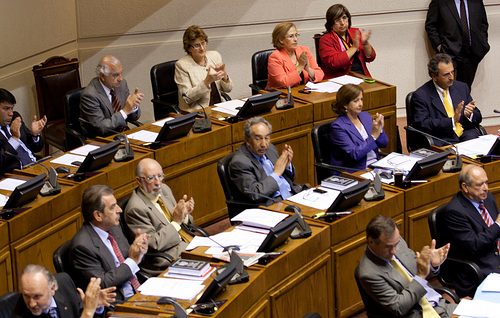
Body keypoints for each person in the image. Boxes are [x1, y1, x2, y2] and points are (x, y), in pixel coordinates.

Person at [356, 215, 456, 317]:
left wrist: (431, 264)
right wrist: (421, 276)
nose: (394, 251)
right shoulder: (368, 273)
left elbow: (419, 272)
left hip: (439, 304)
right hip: (419, 313)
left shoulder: (397, 242)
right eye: (388, 247)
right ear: (371, 241)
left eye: (396, 244)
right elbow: (399, 307)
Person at [70, 185, 149, 303]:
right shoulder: (82, 247)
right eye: (113, 207)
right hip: (118, 303)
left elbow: (129, 261)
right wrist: (133, 260)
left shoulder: (113, 228)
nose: (119, 210)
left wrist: (139, 251)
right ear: (98, 215)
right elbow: (102, 284)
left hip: (140, 290)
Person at [125, 158, 195, 276]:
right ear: (139, 181)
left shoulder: (164, 190)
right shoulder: (135, 209)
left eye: (160, 176)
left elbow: (185, 225)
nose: (158, 182)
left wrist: (185, 214)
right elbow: (153, 244)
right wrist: (177, 221)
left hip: (187, 243)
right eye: (151, 178)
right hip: (166, 258)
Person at [437, 165, 499, 295]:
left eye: (486, 182)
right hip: (480, 266)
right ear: (465, 187)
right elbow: (475, 245)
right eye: (479, 184)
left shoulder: (487, 198)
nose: (486, 188)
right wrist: (497, 225)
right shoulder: (454, 212)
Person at [228, 116, 303, 206]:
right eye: (258, 138)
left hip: (293, 194)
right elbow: (255, 194)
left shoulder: (270, 148)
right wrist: (276, 174)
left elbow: (289, 179)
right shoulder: (239, 163)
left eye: (266, 138)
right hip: (272, 204)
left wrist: (286, 165)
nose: (264, 144)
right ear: (247, 140)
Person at [411, 53, 482, 145]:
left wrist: (469, 115)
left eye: (452, 72)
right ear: (434, 76)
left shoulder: (461, 87)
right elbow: (423, 124)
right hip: (442, 138)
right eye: (446, 74)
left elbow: (478, 116)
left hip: (465, 135)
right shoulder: (421, 95)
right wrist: (453, 120)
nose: (451, 77)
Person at [425, 0, 489, 88]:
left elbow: (483, 24)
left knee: (465, 89)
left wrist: (483, 44)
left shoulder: (477, 1)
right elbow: (431, 26)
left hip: (472, 54)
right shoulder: (439, 2)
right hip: (449, 54)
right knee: (449, 91)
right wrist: (440, 47)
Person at [12, 264, 116, 318]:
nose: (31, 303)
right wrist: (88, 312)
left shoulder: (64, 283)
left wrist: (95, 307)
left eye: (37, 296)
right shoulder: (21, 314)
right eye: (26, 296)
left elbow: (79, 312)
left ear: (52, 289)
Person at [80, 55, 144, 137]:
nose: (120, 78)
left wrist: (134, 106)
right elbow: (102, 128)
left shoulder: (122, 84)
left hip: (124, 135)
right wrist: (125, 111)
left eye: (121, 73)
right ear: (102, 76)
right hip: (104, 140)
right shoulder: (89, 95)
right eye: (115, 75)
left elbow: (133, 118)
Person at [329, 84, 387, 171]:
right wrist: (374, 135)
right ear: (345, 104)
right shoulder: (338, 127)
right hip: (355, 170)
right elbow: (355, 154)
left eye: (361, 99)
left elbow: (384, 143)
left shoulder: (366, 116)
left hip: (375, 164)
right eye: (356, 101)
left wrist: (380, 129)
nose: (360, 104)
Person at [175, 25, 232, 112]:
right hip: (198, 112)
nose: (202, 48)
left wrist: (225, 77)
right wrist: (206, 82)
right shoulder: (182, 65)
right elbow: (187, 98)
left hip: (218, 107)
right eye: (197, 45)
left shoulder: (215, 56)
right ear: (189, 48)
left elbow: (228, 89)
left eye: (203, 43)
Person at [319, 4, 376, 79]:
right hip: (341, 78)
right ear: (331, 23)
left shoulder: (355, 32)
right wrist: (354, 47)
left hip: (361, 75)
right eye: (337, 20)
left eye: (344, 18)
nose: (342, 23)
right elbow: (335, 62)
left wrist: (365, 44)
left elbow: (371, 57)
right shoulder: (325, 39)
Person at [0, 88, 46, 174]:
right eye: (6, 109)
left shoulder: (15, 119)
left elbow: (37, 148)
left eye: (12, 108)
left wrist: (34, 135)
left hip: (37, 166)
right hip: (15, 175)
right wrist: (13, 139)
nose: (11, 113)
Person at [266, 22, 324, 89]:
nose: (295, 39)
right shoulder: (275, 57)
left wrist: (308, 69)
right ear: (281, 40)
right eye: (291, 36)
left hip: (303, 92)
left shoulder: (304, 50)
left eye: (296, 35)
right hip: (281, 95)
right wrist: (300, 66)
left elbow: (320, 74)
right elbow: (284, 82)